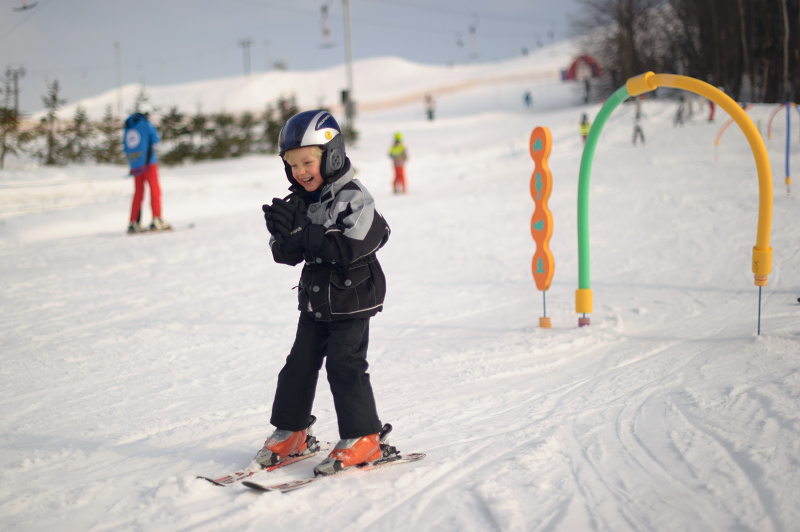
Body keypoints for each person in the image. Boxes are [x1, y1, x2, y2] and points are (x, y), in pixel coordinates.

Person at [258, 110, 396, 477]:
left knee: (344, 365)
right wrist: (285, 238)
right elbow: (285, 255)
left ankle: (364, 436)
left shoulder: (354, 196)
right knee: (298, 365)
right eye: (292, 165)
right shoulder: (299, 201)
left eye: (308, 161)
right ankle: (294, 431)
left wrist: (309, 236)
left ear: (332, 154)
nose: (301, 171)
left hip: (352, 300)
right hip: (316, 301)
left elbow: (360, 242)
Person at [123, 112, 170, 233]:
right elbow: (155, 138)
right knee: (155, 189)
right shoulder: (145, 124)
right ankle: (156, 219)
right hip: (149, 163)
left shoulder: (129, 126)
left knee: (138, 192)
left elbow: (125, 145)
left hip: (136, 165)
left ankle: (134, 222)